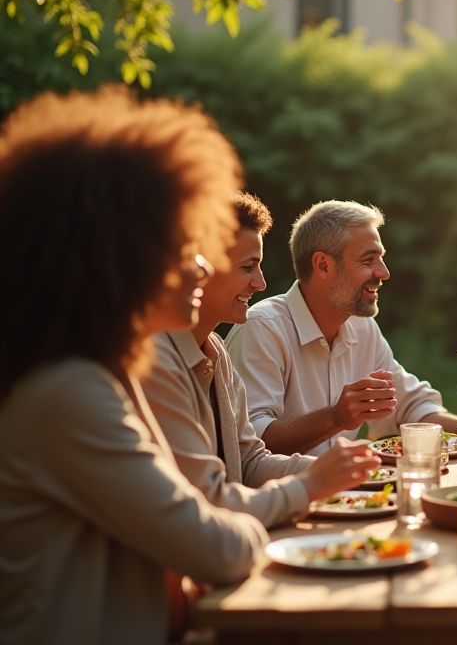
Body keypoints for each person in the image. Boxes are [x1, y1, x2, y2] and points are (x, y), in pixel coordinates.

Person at [0, 87, 268, 645]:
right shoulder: (68, 393)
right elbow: (213, 547)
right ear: (113, 255)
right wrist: (258, 529)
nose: (202, 266)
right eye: (181, 243)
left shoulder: (97, 371)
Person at [142, 193, 380, 528]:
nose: (260, 283)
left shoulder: (216, 353)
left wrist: (337, 469)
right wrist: (310, 484)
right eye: (246, 267)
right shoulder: (155, 362)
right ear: (199, 267)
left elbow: (250, 462)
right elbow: (204, 502)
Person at [225, 200, 457, 456]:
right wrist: (336, 418)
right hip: (284, 495)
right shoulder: (262, 329)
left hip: (345, 493)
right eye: (368, 260)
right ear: (323, 265)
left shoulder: (362, 328)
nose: (384, 273)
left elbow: (411, 407)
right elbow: (251, 441)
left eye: (381, 259)